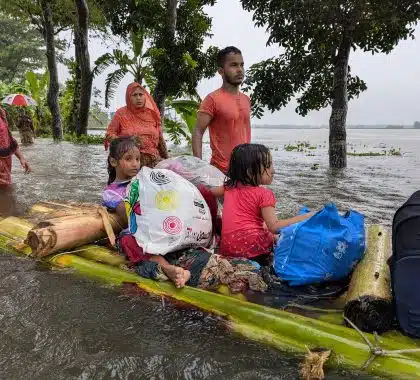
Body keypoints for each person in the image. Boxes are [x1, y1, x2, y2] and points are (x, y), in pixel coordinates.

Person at [102, 136, 191, 288]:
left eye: (137, 159)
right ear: (113, 162)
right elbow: (127, 216)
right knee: (127, 240)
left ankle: (184, 266)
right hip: (137, 233)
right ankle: (167, 268)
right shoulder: (111, 192)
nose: (135, 164)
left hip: (158, 227)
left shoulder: (145, 180)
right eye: (128, 159)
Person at [210, 144, 313, 264]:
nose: (273, 170)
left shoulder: (228, 187)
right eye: (268, 166)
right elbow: (274, 227)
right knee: (274, 233)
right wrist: (307, 216)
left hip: (228, 251)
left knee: (262, 225)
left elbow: (209, 192)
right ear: (250, 172)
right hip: (255, 252)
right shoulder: (264, 194)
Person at [192, 46, 251, 174]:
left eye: (242, 65)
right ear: (221, 71)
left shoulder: (246, 100)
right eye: (234, 65)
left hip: (246, 170)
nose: (240, 70)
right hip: (221, 171)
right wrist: (199, 166)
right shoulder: (212, 99)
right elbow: (197, 132)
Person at [105, 82, 168, 168]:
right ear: (129, 97)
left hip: (154, 160)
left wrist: (167, 160)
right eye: (134, 95)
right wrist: (128, 142)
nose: (138, 98)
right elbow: (109, 134)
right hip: (130, 162)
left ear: (145, 96)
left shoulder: (152, 114)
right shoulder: (121, 114)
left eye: (141, 94)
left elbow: (160, 139)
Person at [0, 107, 31, 186]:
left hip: (5, 168)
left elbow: (9, 139)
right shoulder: (28, 118)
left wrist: (21, 158)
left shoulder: (2, 115)